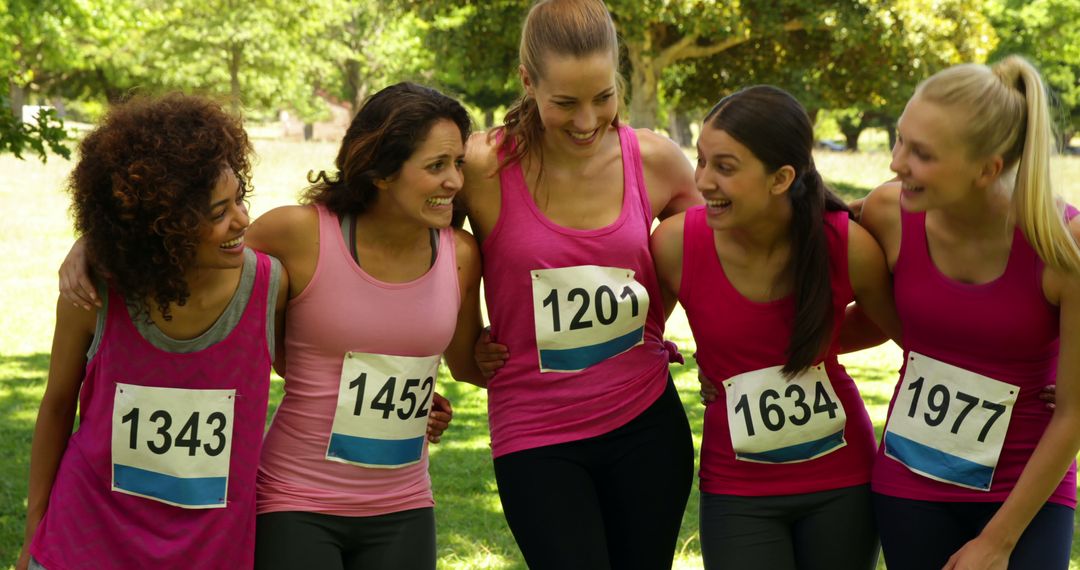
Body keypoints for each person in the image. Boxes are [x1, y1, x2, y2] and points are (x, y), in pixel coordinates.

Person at [55, 82, 480, 569]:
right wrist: (93, 242)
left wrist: (420, 398)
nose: (454, 181)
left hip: (405, 500)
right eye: (436, 166)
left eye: (458, 165)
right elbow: (181, 236)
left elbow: (458, 363)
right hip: (295, 497)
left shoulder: (459, 254)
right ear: (382, 172)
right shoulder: (295, 234)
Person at [461, 1, 701, 567]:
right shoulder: (482, 166)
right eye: (565, 103)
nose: (588, 121)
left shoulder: (659, 161)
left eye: (604, 96)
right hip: (535, 431)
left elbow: (723, 259)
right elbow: (426, 253)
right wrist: (459, 346)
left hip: (646, 421)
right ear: (527, 82)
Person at [19, 94, 289, 569]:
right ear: (160, 224)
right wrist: (33, 534)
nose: (242, 220)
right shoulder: (94, 293)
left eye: (240, 198)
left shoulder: (271, 286)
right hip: (84, 540)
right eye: (217, 212)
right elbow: (58, 404)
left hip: (211, 552)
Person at [649, 85, 902, 570]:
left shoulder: (846, 244)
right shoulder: (677, 244)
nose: (702, 181)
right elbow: (642, 335)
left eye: (725, 167)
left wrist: (811, 344)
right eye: (700, 161)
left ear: (781, 177)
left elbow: (906, 333)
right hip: (737, 488)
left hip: (841, 482)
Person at [860, 55, 1080, 569]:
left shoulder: (1063, 246)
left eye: (922, 153)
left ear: (988, 169)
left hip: (1026, 495)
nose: (896, 162)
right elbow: (852, 316)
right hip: (909, 485)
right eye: (899, 139)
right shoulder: (887, 215)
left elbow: (1074, 411)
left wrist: (998, 542)